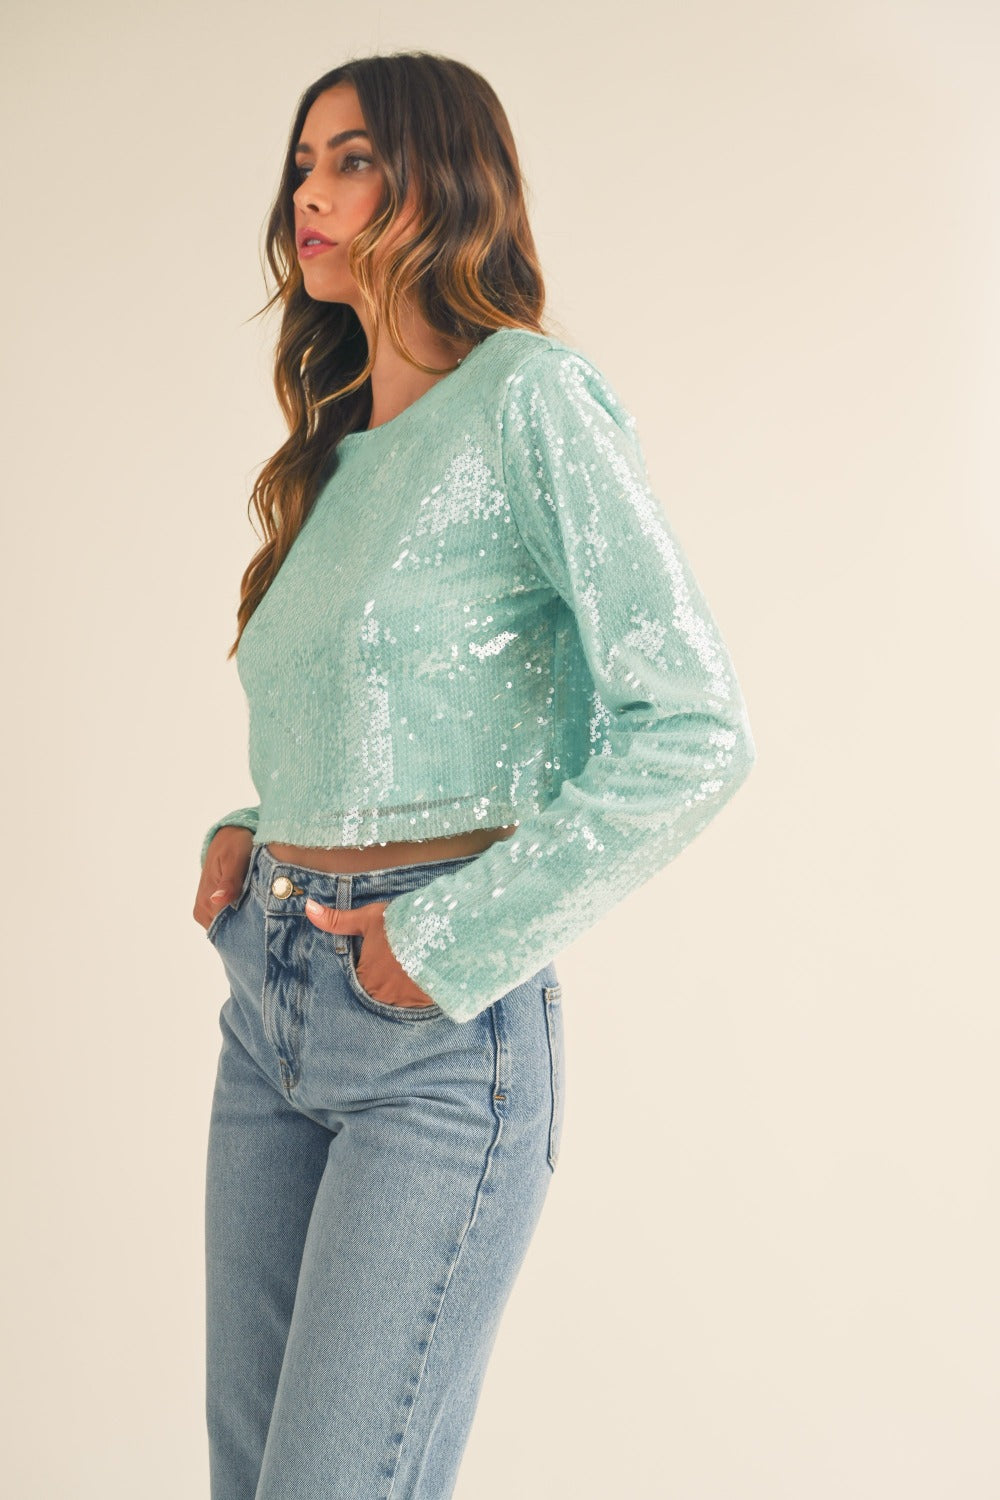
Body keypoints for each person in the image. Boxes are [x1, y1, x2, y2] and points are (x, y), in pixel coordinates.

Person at [193, 50, 757, 1500]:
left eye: (354, 159)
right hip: (267, 1013)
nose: (310, 193)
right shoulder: (332, 457)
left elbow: (692, 725)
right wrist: (256, 828)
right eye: (303, 164)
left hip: (432, 1040)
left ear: (447, 179)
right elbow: (396, 715)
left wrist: (447, 938)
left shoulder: (530, 398)